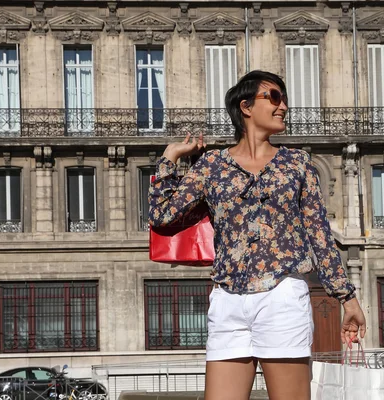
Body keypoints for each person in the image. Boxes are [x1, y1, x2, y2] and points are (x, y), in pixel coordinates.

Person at [149, 70, 366, 400]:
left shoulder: (297, 164)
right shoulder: (211, 166)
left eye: (284, 99)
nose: (283, 107)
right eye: (275, 97)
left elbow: (319, 236)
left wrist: (346, 298)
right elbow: (162, 216)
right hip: (227, 300)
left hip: (281, 295)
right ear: (246, 106)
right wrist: (169, 157)